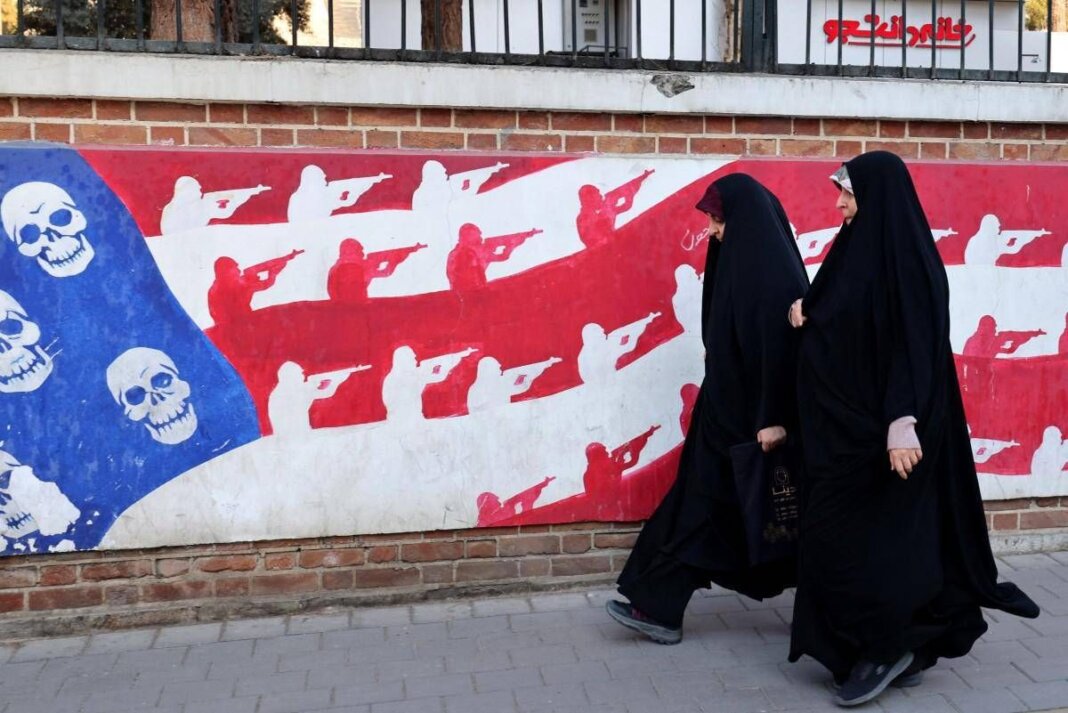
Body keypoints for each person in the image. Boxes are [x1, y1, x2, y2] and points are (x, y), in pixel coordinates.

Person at [786, 152, 1039, 708]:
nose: (839, 204)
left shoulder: (910, 263)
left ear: (876, 197)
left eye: (848, 194)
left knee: (872, 544)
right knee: (847, 540)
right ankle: (900, 646)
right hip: (841, 435)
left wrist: (902, 421)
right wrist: (807, 308)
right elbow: (842, 310)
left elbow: (914, 345)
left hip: (889, 435)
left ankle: (884, 648)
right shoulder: (854, 248)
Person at [606, 174, 810, 645]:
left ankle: (659, 606)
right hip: (724, 415)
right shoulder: (740, 264)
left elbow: (781, 354)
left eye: (718, 220)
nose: (713, 231)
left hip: (751, 424)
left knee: (706, 510)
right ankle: (658, 605)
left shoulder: (771, 276)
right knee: (705, 509)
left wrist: (774, 418)